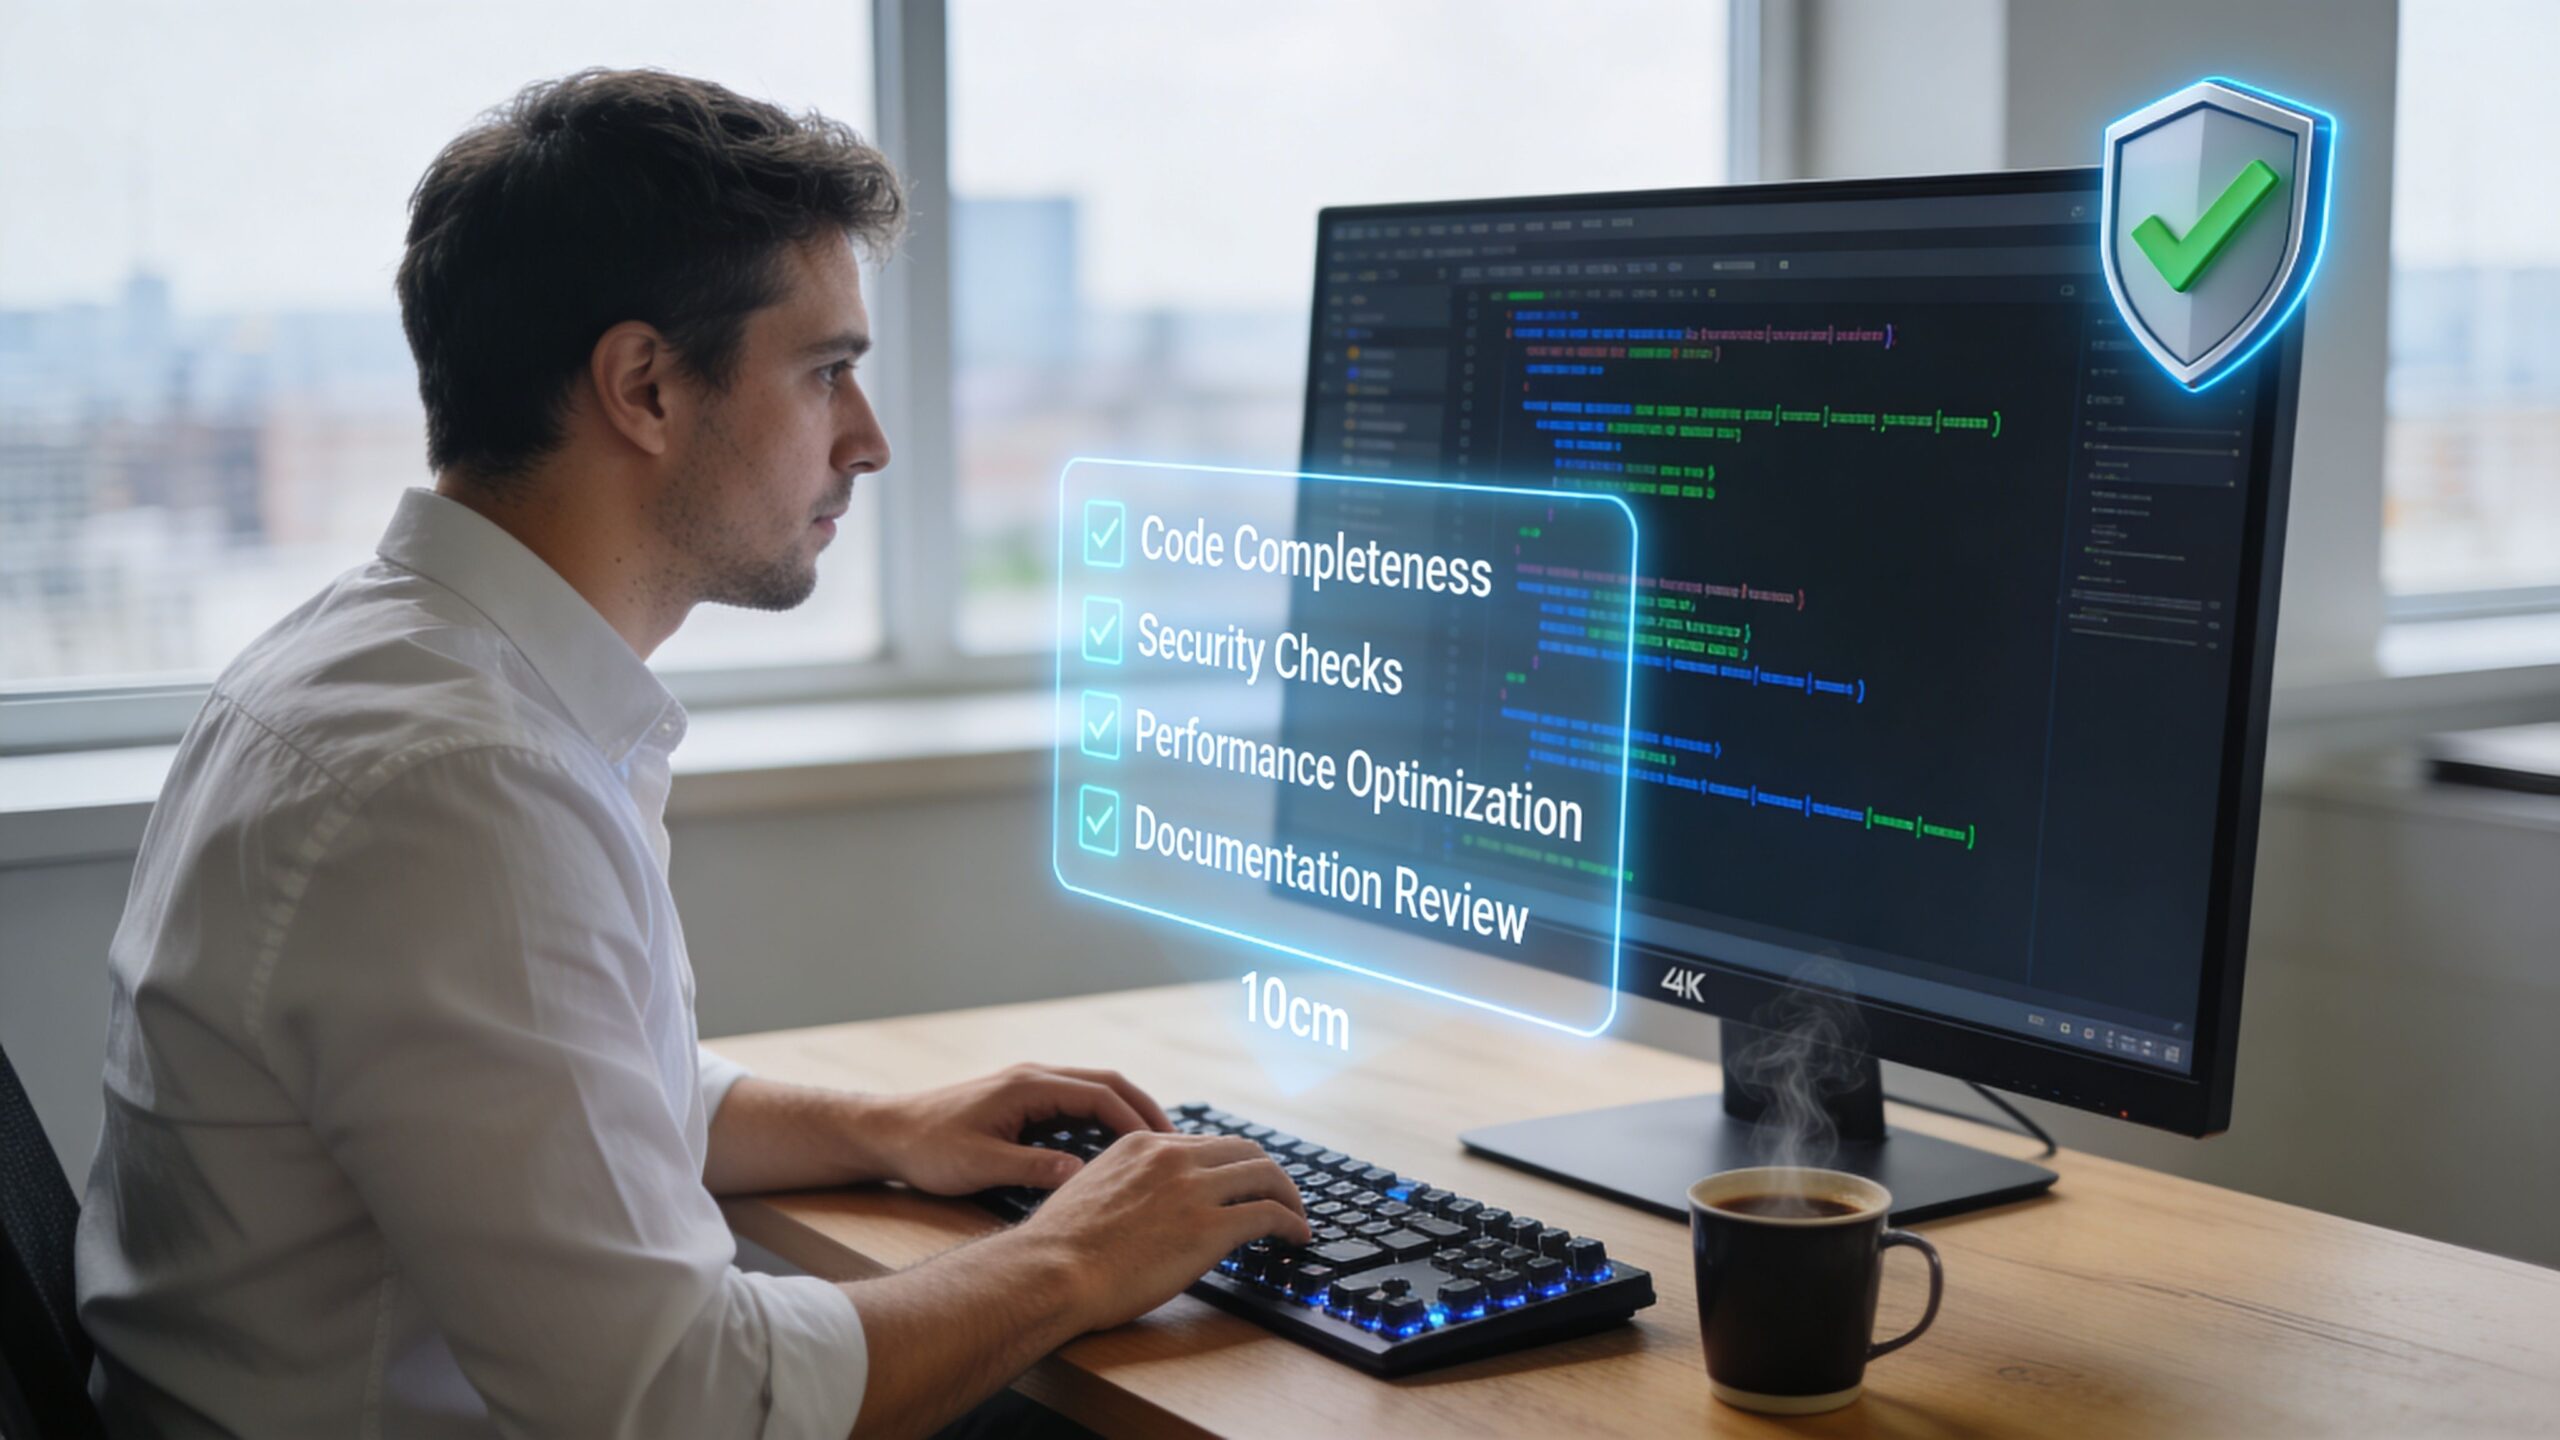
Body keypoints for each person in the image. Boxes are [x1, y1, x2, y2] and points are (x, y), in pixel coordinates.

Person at [74, 68, 1309, 1440]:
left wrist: (880, 1125)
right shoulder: (458, 787)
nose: (871, 440)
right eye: (827, 372)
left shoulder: (390, 673)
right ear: (646, 387)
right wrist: (1072, 1255)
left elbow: (551, 1106)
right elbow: (686, 1401)